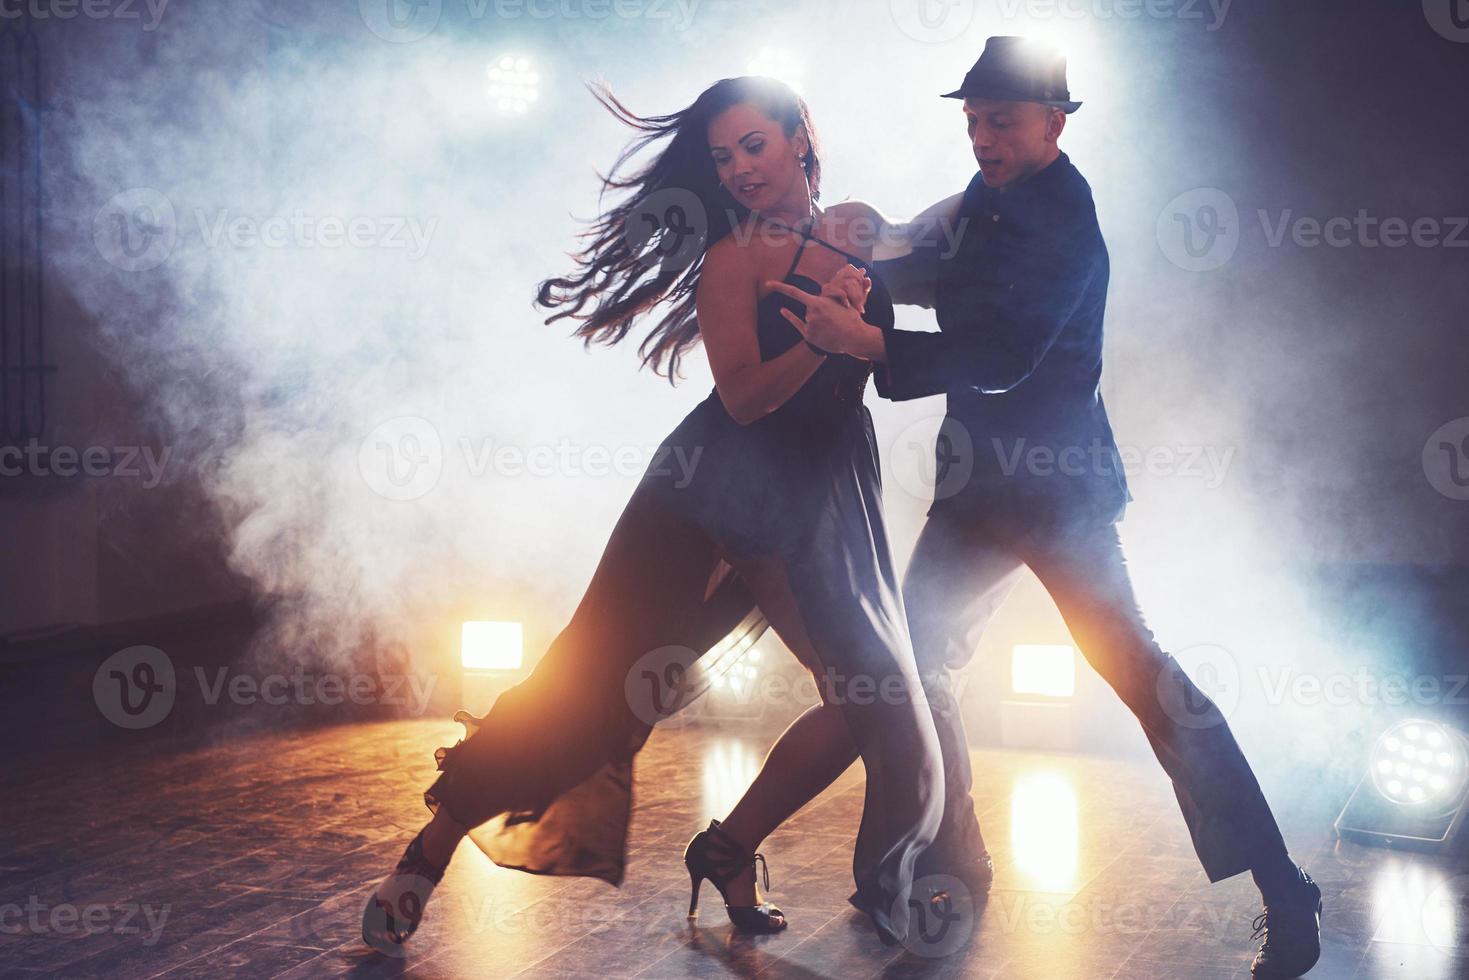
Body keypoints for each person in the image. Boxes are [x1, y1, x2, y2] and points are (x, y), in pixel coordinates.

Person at [765, 36, 1323, 978]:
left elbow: (1000, 354)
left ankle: (1282, 888)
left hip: (1059, 497)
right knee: (901, 670)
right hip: (979, 491)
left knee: (1151, 689)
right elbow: (939, 268)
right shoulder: (989, 197)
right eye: (974, 121)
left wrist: (865, 336)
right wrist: (868, 257)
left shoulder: (1064, 218)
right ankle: (942, 861)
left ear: (1055, 124)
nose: (983, 138)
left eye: (1003, 123)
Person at [361, 75, 944, 953]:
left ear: (800, 140)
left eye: (753, 145)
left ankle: (726, 848)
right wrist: (824, 340)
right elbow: (744, 398)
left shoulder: (857, 225)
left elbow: (932, 279)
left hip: (818, 487)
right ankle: (426, 855)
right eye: (721, 157)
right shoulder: (734, 257)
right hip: (714, 492)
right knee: (597, 684)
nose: (739, 169)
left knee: (862, 699)